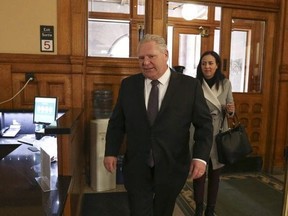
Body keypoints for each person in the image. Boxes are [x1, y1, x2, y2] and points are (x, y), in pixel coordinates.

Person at [103, 34, 213, 216]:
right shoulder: (128, 85)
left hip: (173, 165)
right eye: (141, 58)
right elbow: (117, 123)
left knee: (163, 210)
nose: (145, 62)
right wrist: (110, 151)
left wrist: (200, 157)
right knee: (139, 211)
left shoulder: (189, 86)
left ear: (165, 55)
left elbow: (204, 125)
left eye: (151, 56)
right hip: (137, 165)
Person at [193, 51, 235, 216]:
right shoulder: (194, 83)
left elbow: (230, 106)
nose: (207, 67)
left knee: (215, 175)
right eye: (204, 63)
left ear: (217, 65)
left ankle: (210, 209)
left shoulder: (225, 84)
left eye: (211, 63)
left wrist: (231, 110)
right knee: (198, 173)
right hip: (199, 133)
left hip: (218, 133)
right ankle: (198, 206)